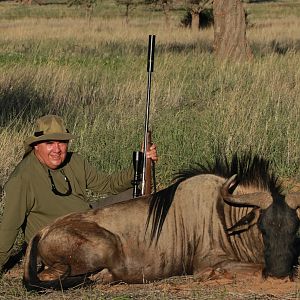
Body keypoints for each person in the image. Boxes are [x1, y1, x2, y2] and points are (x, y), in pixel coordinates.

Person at [0, 114, 158, 270]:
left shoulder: (75, 161)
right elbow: (9, 227)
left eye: (62, 142)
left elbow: (108, 185)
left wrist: (142, 165)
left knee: (138, 196)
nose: (57, 149)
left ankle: (150, 241)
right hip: (60, 241)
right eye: (49, 143)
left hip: (88, 219)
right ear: (36, 145)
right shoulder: (22, 178)